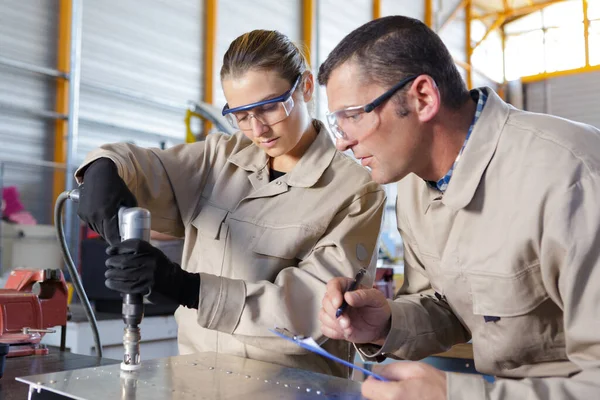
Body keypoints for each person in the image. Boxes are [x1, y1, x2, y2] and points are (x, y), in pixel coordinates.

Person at [317, 15, 600, 399]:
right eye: (338, 123)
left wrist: (458, 396)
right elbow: (450, 304)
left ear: (423, 98)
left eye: (353, 116)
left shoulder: (572, 176)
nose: (342, 143)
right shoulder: (417, 189)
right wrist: (386, 323)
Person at [75, 29, 385, 378]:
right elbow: (143, 165)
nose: (257, 129)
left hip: (290, 387)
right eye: (241, 114)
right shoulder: (217, 159)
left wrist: (187, 287)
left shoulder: (354, 191)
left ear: (307, 87)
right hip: (195, 381)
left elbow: (313, 310)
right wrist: (103, 167)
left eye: (269, 107)